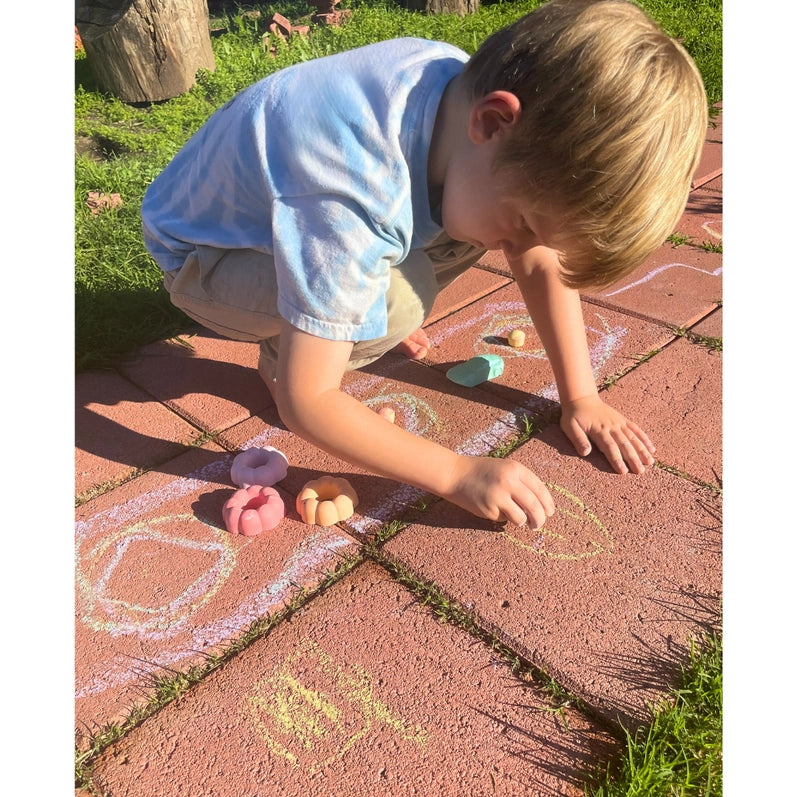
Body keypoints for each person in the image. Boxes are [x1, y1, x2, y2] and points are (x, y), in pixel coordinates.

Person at [141, 0, 708, 530]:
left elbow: (536, 258)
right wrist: (456, 474)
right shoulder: (350, 189)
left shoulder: (463, 97)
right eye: (526, 224)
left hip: (274, 219)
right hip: (204, 260)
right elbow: (309, 400)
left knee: (475, 228)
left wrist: (581, 396)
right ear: (491, 121)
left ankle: (326, 313)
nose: (521, 244)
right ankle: (287, 345)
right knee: (396, 304)